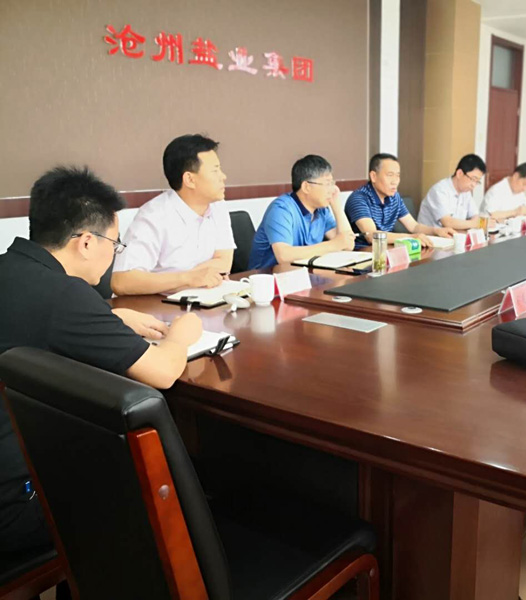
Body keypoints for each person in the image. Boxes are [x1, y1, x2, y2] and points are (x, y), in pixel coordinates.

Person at [0, 167, 201, 562]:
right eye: (115, 243)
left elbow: (40, 321)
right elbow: (162, 372)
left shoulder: (13, 269)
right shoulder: (65, 295)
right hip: (21, 503)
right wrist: (182, 334)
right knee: (162, 480)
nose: (114, 254)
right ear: (87, 242)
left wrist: (111, 316)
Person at [111, 134, 236, 296]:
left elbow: (224, 261)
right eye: (215, 171)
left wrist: (194, 279)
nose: (223, 176)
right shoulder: (154, 215)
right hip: (155, 304)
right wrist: (187, 279)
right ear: (189, 179)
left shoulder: (217, 205)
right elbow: (122, 281)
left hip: (200, 299)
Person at [248, 155, 355, 269]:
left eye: (332, 183)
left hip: (303, 274)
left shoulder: (322, 210)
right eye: (327, 184)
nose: (332, 189)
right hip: (268, 276)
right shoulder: (281, 209)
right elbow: (284, 256)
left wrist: (336, 206)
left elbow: (347, 245)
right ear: (306, 187)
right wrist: (333, 245)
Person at [345, 153, 455, 247]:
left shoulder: (394, 197)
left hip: (386, 251)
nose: (395, 181)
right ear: (373, 176)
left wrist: (436, 231)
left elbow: (413, 226)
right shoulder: (359, 198)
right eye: (390, 175)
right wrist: (410, 237)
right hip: (362, 255)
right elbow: (372, 236)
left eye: (397, 176)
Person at [417, 154, 486, 230]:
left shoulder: (466, 192)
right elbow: (447, 222)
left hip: (454, 235)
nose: (474, 185)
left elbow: (475, 215)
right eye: (473, 179)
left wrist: (476, 222)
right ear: (459, 173)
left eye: (477, 181)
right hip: (430, 236)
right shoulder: (440, 190)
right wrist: (475, 224)